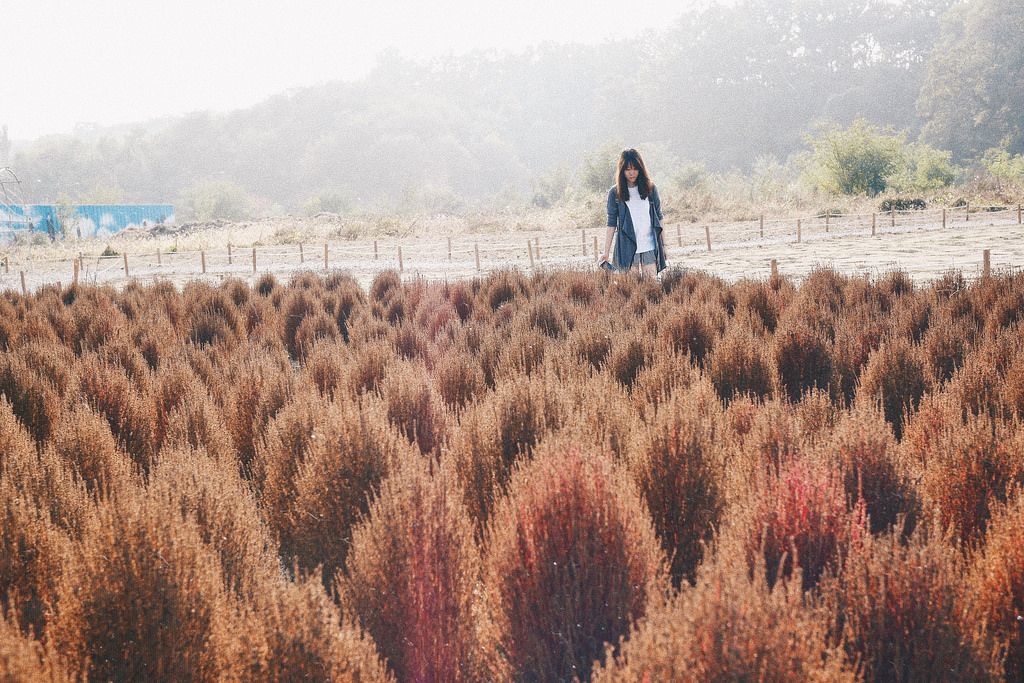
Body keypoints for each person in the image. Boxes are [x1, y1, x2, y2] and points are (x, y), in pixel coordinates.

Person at [598, 148, 667, 277]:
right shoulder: (615, 193)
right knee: (632, 287)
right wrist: (606, 251)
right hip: (627, 247)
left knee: (651, 286)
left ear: (640, 169)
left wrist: (664, 245)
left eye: (635, 169)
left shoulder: (650, 188)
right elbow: (611, 223)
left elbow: (659, 216)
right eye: (628, 169)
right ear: (622, 170)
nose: (632, 173)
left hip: (649, 245)